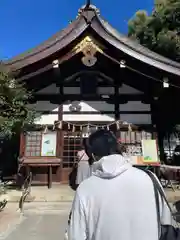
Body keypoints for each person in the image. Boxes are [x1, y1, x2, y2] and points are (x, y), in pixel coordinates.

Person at [68, 129, 171, 240]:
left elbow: (75, 235)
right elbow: (166, 222)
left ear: (93, 155)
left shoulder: (85, 189)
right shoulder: (151, 179)